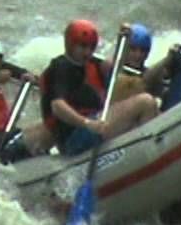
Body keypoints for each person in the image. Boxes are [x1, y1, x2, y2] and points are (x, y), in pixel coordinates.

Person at [40, 19, 159, 155]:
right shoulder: (61, 67)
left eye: (91, 47)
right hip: (75, 137)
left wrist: (123, 42)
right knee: (145, 102)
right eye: (82, 46)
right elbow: (57, 106)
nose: (87, 52)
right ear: (70, 44)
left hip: (90, 127)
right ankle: (149, 155)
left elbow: (115, 71)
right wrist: (87, 123)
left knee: (145, 99)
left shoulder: (87, 64)